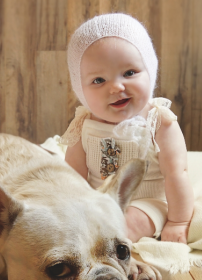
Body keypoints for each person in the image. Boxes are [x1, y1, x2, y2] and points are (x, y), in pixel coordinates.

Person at [60, 13, 194, 244]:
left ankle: (107, 244)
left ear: (149, 72)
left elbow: (176, 174)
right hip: (97, 199)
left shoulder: (159, 122)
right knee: (74, 221)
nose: (116, 87)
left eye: (129, 73)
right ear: (80, 89)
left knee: (128, 222)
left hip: (145, 202)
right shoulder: (84, 124)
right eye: (99, 80)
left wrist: (178, 221)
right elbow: (73, 175)